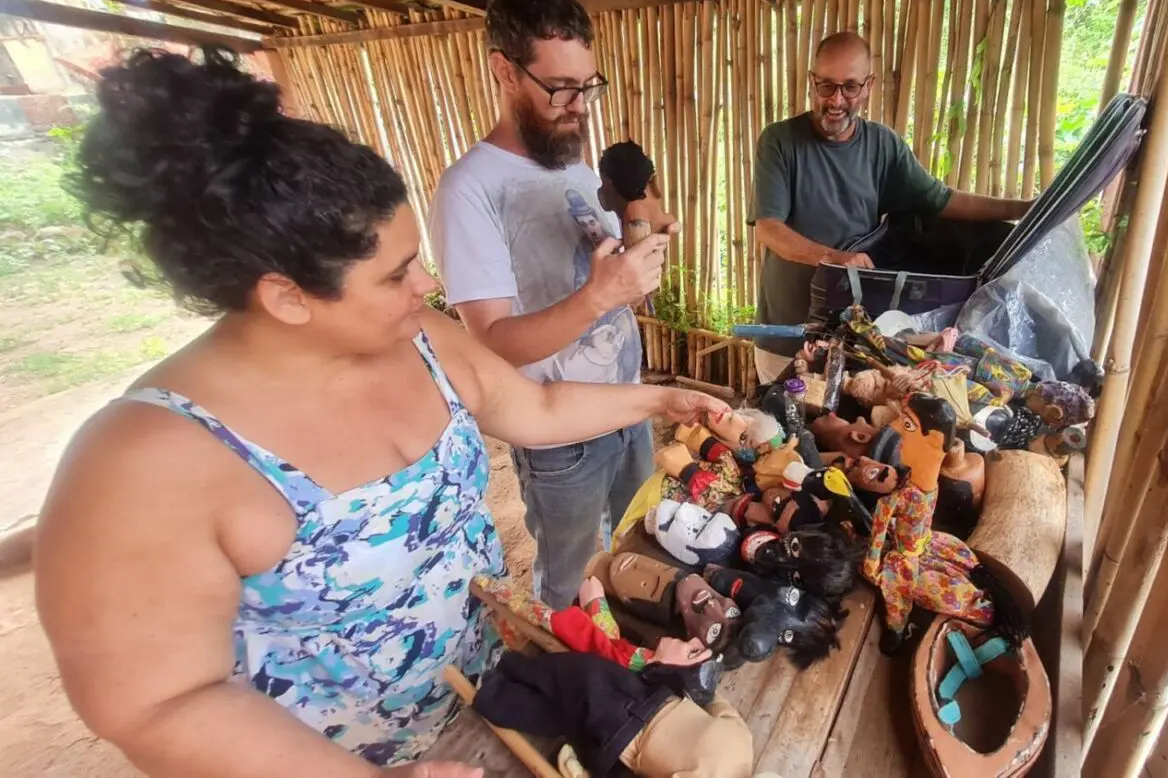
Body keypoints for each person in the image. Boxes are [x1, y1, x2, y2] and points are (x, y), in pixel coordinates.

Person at [33, 46, 731, 778]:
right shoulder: (145, 461)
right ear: (286, 296)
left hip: (500, 700)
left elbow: (538, 406)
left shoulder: (418, 337)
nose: (426, 283)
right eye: (397, 273)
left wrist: (663, 398)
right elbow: (157, 703)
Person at [430, 0, 669, 611]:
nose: (578, 104)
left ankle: (633, 673)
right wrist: (599, 297)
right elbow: (494, 344)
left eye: (587, 85)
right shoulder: (469, 190)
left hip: (625, 406)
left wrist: (637, 250)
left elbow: (607, 276)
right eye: (560, 87)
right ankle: (573, 687)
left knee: (643, 550)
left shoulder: (574, 166)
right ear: (504, 72)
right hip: (559, 439)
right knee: (568, 586)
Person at [749, 32, 1033, 384]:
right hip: (787, 334)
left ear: (869, 86)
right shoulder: (780, 141)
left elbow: (940, 200)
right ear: (811, 82)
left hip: (856, 338)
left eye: (850, 87)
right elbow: (769, 229)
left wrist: (1024, 209)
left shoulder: (883, 145)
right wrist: (835, 257)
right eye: (826, 86)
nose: (836, 100)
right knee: (783, 432)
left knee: (847, 434)